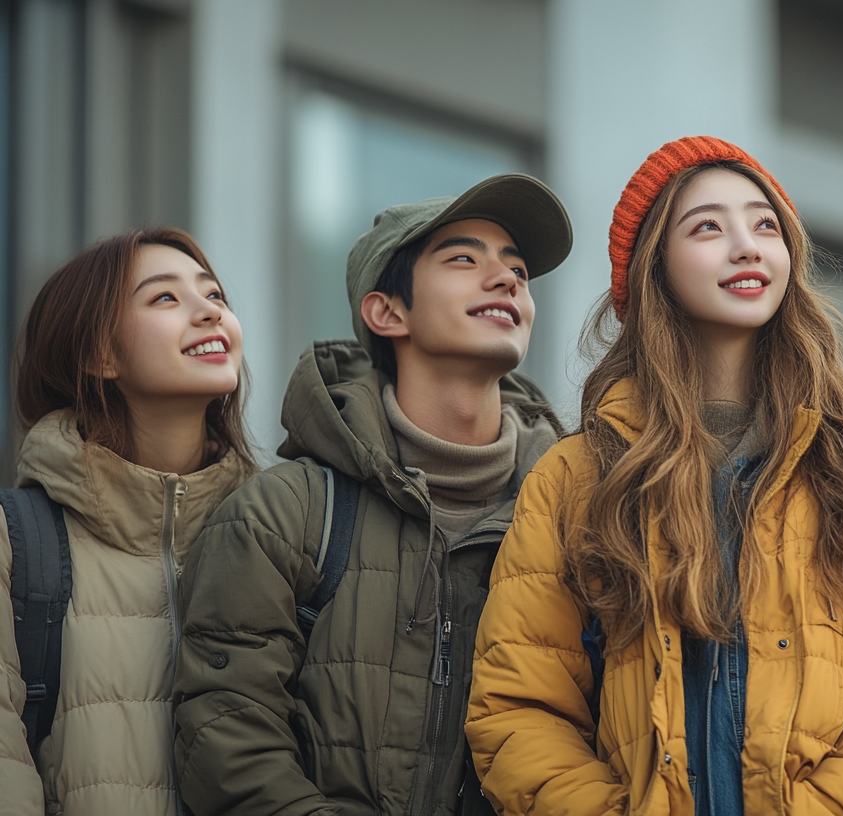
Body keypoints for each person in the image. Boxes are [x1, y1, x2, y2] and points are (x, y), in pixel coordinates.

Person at [465, 136, 843, 816]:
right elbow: (519, 707)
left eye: (765, 225)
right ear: (654, 267)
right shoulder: (575, 476)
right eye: (708, 227)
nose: (747, 245)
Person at [170, 175, 571, 816]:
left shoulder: (579, 516)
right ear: (387, 312)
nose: (508, 280)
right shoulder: (285, 513)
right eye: (466, 259)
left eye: (518, 269)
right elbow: (228, 734)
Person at [0, 228, 255, 816]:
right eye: (165, 298)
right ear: (99, 355)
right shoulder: (16, 542)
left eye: (214, 296)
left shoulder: (280, 530)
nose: (209, 313)